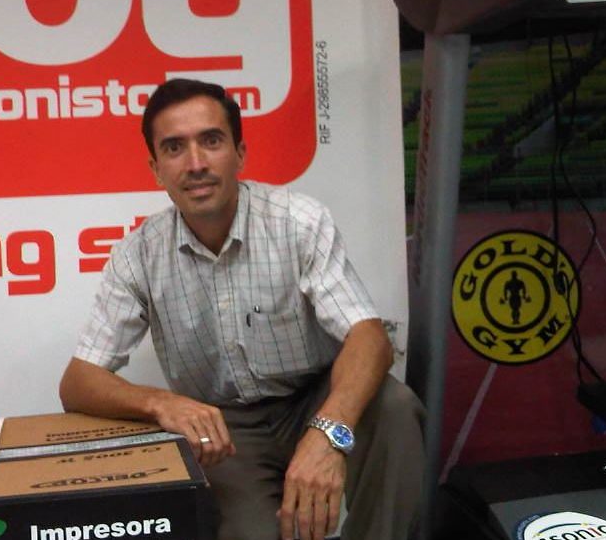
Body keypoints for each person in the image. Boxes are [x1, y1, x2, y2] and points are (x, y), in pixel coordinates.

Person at [59, 78, 425, 540]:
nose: (196, 164)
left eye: (211, 141)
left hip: (316, 397)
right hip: (226, 432)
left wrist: (327, 432)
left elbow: (369, 338)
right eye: (174, 148)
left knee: (395, 409)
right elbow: (78, 382)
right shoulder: (138, 255)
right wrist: (162, 403)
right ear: (156, 170)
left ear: (240, 154)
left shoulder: (298, 222)